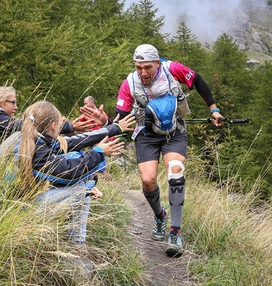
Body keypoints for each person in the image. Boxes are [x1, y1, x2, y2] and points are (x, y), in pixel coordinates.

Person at [81, 44, 224, 256]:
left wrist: (214, 110)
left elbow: (198, 81)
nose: (143, 72)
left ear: (157, 63)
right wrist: (106, 122)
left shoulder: (172, 69)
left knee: (176, 170)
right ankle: (159, 216)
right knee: (148, 180)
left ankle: (176, 231)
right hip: (146, 135)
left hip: (174, 131)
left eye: (147, 67)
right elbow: (120, 120)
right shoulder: (129, 84)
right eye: (138, 67)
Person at [0, 101, 135, 247]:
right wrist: (97, 154)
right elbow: (68, 172)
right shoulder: (35, 149)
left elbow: (79, 141)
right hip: (13, 214)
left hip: (15, 203)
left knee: (75, 162)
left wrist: (114, 128)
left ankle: (74, 243)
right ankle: (76, 247)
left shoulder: (29, 138)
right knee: (80, 189)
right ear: (53, 125)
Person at [0, 87, 100, 151]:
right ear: (0, 103)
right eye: (13, 102)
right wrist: (67, 127)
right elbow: (25, 126)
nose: (16, 107)